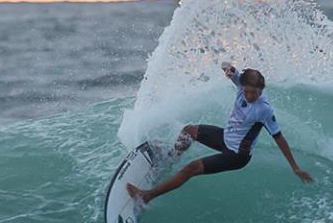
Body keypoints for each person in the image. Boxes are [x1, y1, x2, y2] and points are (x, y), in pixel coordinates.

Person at [126, 62, 313, 205]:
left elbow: (279, 138)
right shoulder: (241, 82)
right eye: (246, 91)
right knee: (189, 131)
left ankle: (146, 196)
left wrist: (295, 167)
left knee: (191, 169)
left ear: (261, 90)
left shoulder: (263, 109)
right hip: (226, 138)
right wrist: (228, 68)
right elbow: (226, 65)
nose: (249, 96)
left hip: (236, 155)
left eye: (254, 93)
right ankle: (170, 158)